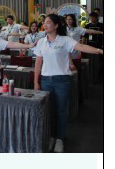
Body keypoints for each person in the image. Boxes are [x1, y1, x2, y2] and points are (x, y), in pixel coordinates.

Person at [34, 12, 102, 150]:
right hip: (46, 80)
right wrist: (36, 81)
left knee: (61, 111)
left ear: (56, 25)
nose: (44, 25)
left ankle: (60, 139)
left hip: (62, 80)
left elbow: (81, 47)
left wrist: (99, 51)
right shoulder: (41, 42)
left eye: (48, 22)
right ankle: (51, 137)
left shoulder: (65, 40)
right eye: (44, 22)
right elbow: (38, 63)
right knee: (49, 111)